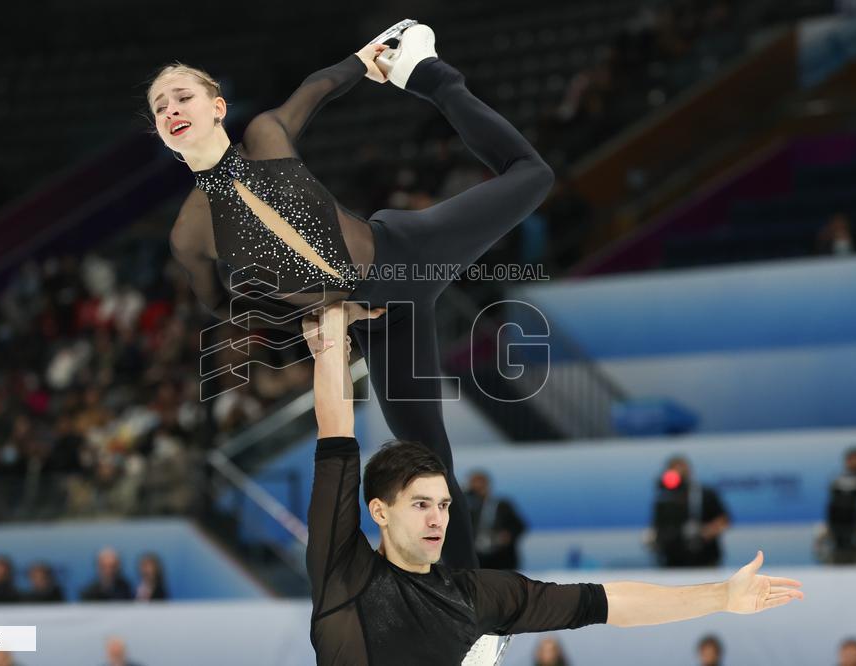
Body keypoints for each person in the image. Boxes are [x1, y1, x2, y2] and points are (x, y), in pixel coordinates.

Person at [155, 20, 557, 569]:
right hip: (376, 320)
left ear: (218, 107)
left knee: (532, 175)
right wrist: (324, 313)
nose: (170, 109)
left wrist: (369, 59)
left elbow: (319, 87)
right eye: (160, 107)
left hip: (408, 254)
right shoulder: (189, 233)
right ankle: (469, 605)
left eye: (182, 96)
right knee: (428, 463)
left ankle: (430, 75)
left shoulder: (268, 136)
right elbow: (222, 307)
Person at [304, 304, 803, 665]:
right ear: (380, 511)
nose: (439, 518)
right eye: (420, 505)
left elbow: (605, 603)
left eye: (444, 504)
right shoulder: (343, 572)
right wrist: (330, 335)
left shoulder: (474, 597)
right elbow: (336, 433)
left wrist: (720, 596)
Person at [650, 456, 730, 567]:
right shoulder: (664, 497)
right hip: (672, 563)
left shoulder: (704, 494)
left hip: (704, 560)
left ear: (688, 472)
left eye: (681, 470)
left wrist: (705, 532)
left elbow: (724, 521)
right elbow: (658, 526)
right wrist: (654, 537)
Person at [466, 470, 526, 569]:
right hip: (476, 558)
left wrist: (507, 535)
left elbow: (519, 526)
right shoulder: (467, 507)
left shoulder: (502, 505)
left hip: (500, 557)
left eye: (480, 484)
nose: (477, 489)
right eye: (473, 485)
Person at [825, 447, 856, 564]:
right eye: (852, 459)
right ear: (846, 462)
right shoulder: (837, 483)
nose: (855, 463)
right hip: (838, 529)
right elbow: (832, 510)